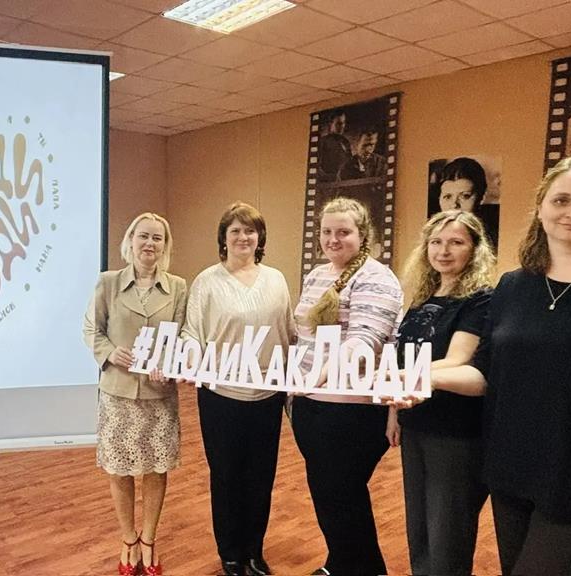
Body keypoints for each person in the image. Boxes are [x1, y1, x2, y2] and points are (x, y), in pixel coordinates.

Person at [408, 156, 571, 575]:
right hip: (512, 478)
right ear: (541, 207)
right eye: (561, 200)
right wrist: (417, 377)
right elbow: (485, 374)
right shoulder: (514, 285)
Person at [290, 197, 404, 576]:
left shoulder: (377, 278)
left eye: (343, 232)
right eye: (326, 231)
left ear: (363, 234)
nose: (333, 239)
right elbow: (303, 336)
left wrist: (318, 376)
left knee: (343, 494)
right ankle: (340, 563)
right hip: (311, 404)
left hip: (353, 409)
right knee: (327, 493)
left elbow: (364, 341)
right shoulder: (316, 275)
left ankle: (364, 569)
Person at [181, 202, 294, 576]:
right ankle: (230, 552)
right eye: (235, 231)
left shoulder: (275, 279)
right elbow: (192, 333)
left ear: (260, 237)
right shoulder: (207, 281)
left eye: (250, 230)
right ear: (224, 238)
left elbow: (289, 332)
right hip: (221, 395)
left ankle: (254, 550)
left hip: (267, 394)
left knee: (261, 477)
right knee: (227, 475)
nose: (243, 237)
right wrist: (188, 361)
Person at [390, 210, 496, 576]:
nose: (443, 251)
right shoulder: (423, 296)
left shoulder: (480, 300)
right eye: (436, 242)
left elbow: (458, 360)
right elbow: (404, 355)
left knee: (447, 531)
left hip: (455, 430)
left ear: (474, 249)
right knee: (418, 528)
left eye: (455, 242)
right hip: (415, 420)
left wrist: (399, 377)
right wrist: (395, 412)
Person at [84, 212, 188, 576]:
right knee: (120, 470)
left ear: (165, 245)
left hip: (159, 395)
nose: (150, 244)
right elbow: (91, 329)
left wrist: (169, 362)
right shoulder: (108, 282)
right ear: (130, 240)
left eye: (157, 238)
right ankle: (128, 539)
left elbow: (182, 336)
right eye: (143, 236)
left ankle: (149, 540)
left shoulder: (178, 287)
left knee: (156, 470)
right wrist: (110, 352)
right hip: (118, 394)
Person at [435, 157, 499, 249]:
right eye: (448, 197)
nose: (454, 205)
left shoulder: (493, 240)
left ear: (482, 198)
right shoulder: (431, 236)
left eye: (465, 196)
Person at [317, 110, 352, 182]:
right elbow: (317, 168)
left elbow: (349, 162)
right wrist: (332, 178)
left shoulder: (345, 142)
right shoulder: (323, 141)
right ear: (330, 124)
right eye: (338, 124)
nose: (342, 126)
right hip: (329, 183)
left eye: (343, 123)